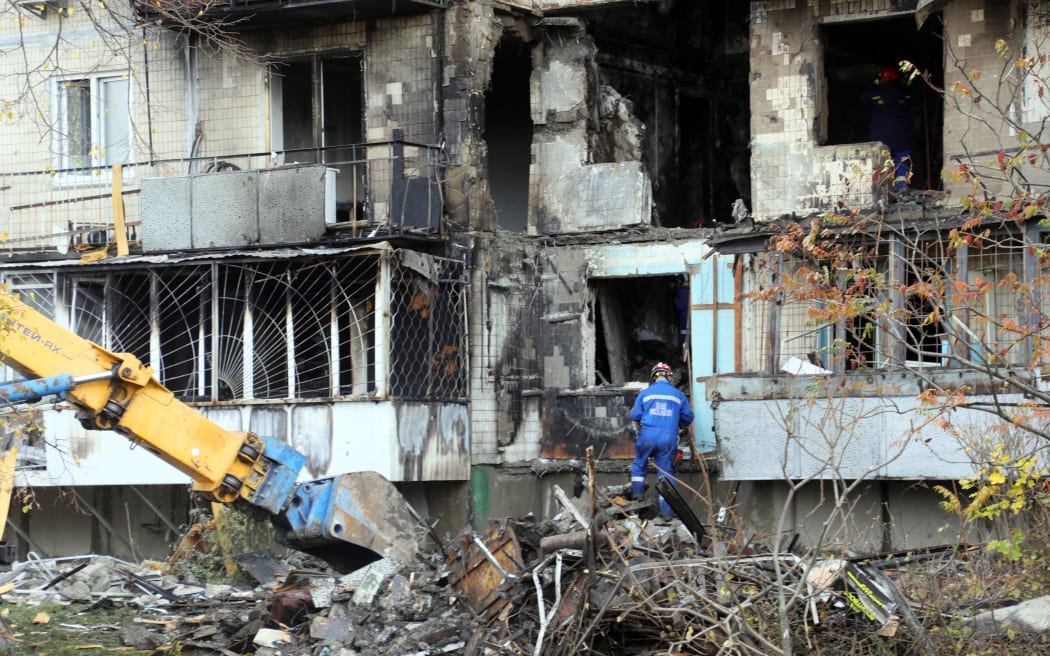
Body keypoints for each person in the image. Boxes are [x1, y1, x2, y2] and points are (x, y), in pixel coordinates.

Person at [629, 362, 694, 516]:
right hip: (668, 437)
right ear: (670, 377)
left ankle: (637, 500)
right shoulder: (678, 395)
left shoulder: (645, 394)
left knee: (639, 464)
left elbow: (634, 415)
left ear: (654, 377)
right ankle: (666, 514)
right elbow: (688, 417)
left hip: (647, 435)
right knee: (665, 473)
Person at [862, 65, 921, 191]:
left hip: (880, 137)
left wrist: (874, 82)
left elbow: (863, 98)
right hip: (902, 135)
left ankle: (885, 191)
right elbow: (919, 97)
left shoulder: (875, 93)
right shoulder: (905, 92)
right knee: (902, 159)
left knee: (883, 162)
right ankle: (901, 187)